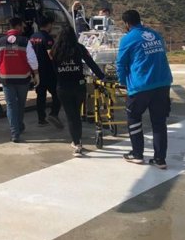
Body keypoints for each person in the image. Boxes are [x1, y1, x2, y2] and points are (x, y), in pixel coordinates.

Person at [116, 9, 173, 169]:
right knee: (159, 122)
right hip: (162, 83)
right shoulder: (155, 34)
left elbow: (120, 64)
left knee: (134, 117)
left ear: (126, 24)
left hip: (141, 85)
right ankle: (160, 159)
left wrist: (122, 82)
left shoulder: (127, 39)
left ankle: (137, 154)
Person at [51, 25, 105, 155]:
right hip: (79, 86)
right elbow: (91, 63)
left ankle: (77, 143)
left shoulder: (55, 50)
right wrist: (102, 76)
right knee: (77, 114)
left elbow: (53, 70)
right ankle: (78, 141)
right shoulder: (79, 48)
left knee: (71, 116)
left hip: (63, 87)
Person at [0, 17, 40, 143]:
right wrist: (36, 73)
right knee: (20, 104)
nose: (23, 28)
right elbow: (32, 59)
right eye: (22, 26)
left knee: (11, 105)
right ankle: (18, 126)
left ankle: (15, 133)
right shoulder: (25, 41)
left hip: (6, 78)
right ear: (18, 26)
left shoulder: (0, 42)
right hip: (23, 79)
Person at [29, 16, 63, 129]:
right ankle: (53, 114)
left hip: (37, 72)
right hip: (48, 71)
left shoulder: (32, 37)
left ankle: (41, 119)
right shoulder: (47, 38)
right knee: (57, 94)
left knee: (41, 96)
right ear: (48, 24)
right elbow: (51, 55)